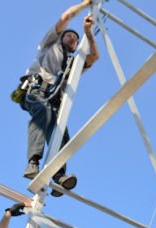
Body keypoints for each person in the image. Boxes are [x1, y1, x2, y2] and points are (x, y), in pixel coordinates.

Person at [20, 0, 99, 197]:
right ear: (61, 37)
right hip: (37, 89)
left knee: (61, 134)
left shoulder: (73, 63)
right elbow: (66, 17)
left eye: (75, 38)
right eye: (69, 35)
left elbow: (94, 57)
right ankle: (33, 162)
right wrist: (86, 4)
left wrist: (88, 33)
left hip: (56, 100)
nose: (72, 38)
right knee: (43, 112)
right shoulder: (50, 44)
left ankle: (58, 175)